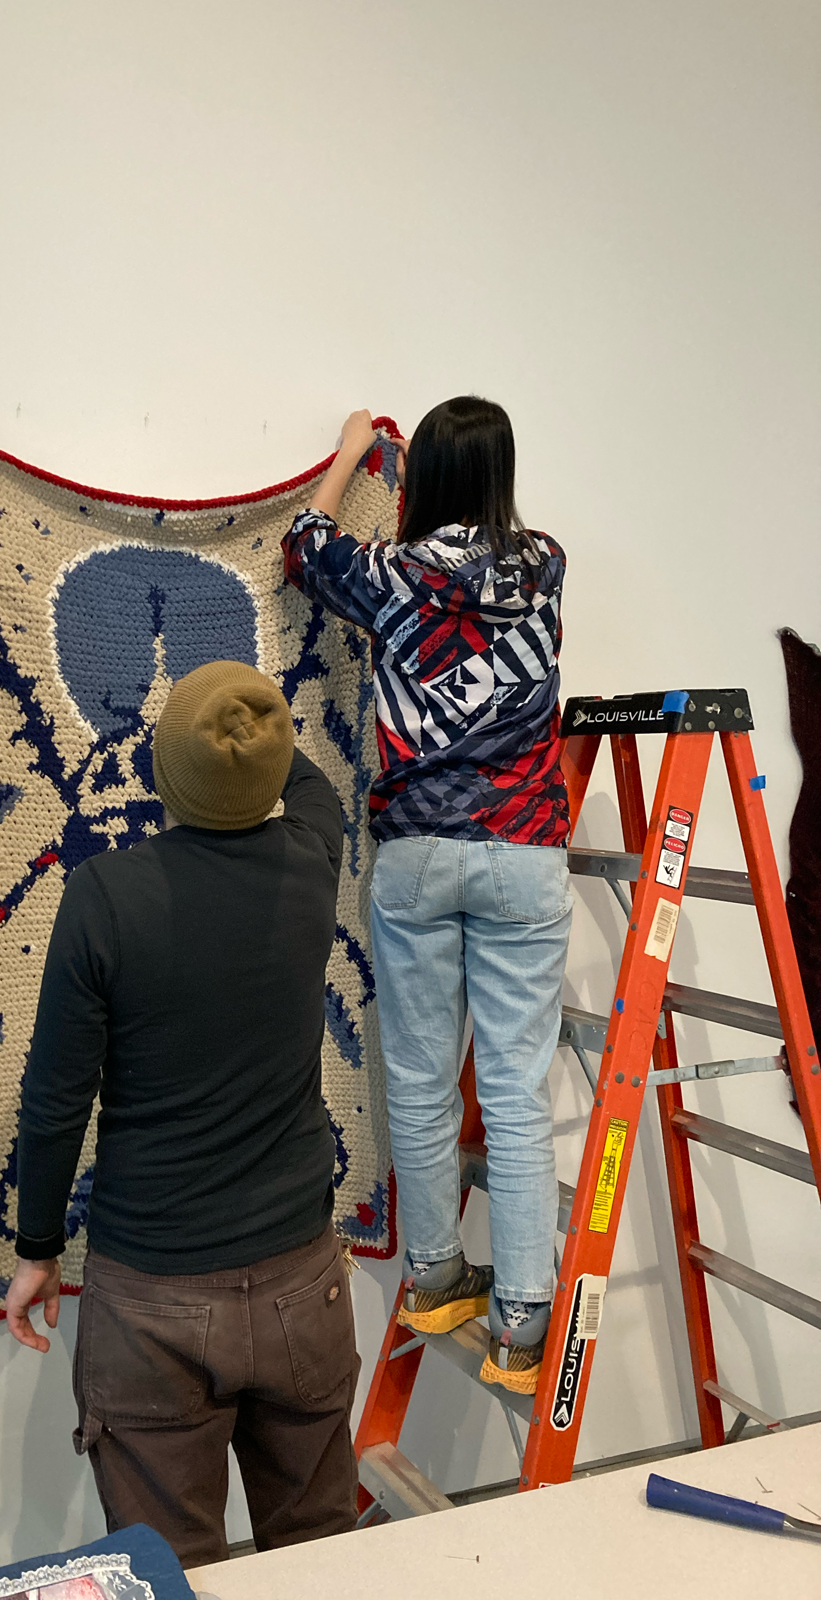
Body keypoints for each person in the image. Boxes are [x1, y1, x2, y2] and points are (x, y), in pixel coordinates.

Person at [4, 661, 359, 1569]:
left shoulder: (104, 898)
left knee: (174, 1577)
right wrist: (256, 708)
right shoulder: (315, 861)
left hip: (153, 1305)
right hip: (300, 1285)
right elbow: (308, 783)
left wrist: (37, 1248)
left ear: (163, 773)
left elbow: (55, 1101)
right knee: (318, 1563)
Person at [282, 398, 570, 1396]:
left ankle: (438, 1274)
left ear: (426, 480)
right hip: (524, 846)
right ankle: (527, 1320)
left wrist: (351, 454)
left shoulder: (392, 576)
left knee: (416, 1075)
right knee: (517, 1090)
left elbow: (303, 543)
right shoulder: (546, 568)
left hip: (416, 852)